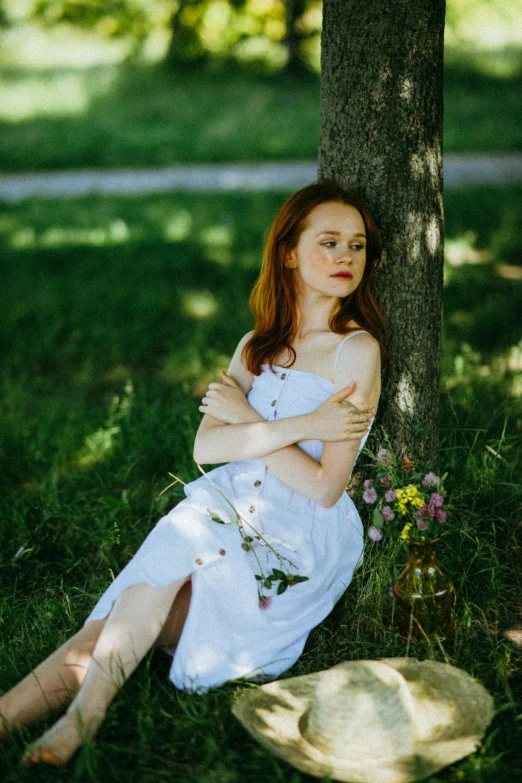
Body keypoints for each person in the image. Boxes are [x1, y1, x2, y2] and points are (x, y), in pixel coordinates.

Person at [0, 180, 385, 766]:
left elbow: (325, 487)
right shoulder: (257, 344)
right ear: (288, 252)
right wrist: (301, 423)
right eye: (328, 242)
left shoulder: (355, 351)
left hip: (297, 537)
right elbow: (208, 446)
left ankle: (80, 717)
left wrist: (247, 422)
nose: (344, 259)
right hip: (228, 506)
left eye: (356, 246)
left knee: (148, 587)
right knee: (130, 610)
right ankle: (47, 719)